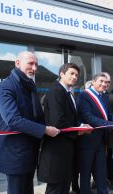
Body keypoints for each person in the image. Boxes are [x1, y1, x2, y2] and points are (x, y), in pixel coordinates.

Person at [0, 51, 59, 194]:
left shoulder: (29, 85)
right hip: (15, 153)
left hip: (30, 150)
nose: (35, 68)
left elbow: (36, 116)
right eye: (30, 63)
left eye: (36, 64)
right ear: (17, 63)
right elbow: (13, 120)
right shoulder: (5, 87)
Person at [37, 63, 85, 194]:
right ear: (61, 74)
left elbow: (69, 118)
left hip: (66, 149)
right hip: (57, 150)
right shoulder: (56, 91)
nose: (75, 77)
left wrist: (80, 125)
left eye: (76, 75)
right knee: (55, 189)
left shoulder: (67, 92)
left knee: (64, 187)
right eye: (71, 73)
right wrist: (78, 130)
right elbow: (57, 121)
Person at [77, 73, 113, 194]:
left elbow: (109, 114)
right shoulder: (84, 95)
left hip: (101, 140)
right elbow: (88, 117)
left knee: (101, 170)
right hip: (87, 140)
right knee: (85, 172)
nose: (104, 84)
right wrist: (111, 124)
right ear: (93, 81)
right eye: (101, 81)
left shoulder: (105, 97)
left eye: (106, 82)